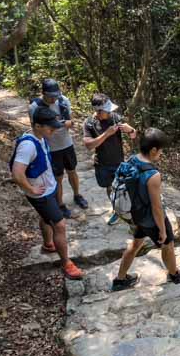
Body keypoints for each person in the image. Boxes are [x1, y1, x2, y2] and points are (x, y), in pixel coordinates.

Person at [111, 128, 180, 291]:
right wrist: (162, 230)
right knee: (167, 244)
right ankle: (175, 274)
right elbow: (156, 207)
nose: (161, 153)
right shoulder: (153, 174)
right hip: (149, 218)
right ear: (154, 149)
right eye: (161, 150)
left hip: (135, 214)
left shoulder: (133, 160)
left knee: (135, 244)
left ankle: (120, 280)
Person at [10, 105, 83, 280]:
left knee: (46, 218)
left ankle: (48, 245)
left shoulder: (40, 137)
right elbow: (16, 173)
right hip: (40, 194)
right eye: (50, 127)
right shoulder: (28, 145)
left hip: (47, 189)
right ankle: (66, 263)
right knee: (60, 225)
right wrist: (31, 189)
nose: (53, 129)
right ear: (37, 125)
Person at [29, 78, 87, 217]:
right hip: (51, 147)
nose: (54, 99)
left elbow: (70, 121)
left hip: (66, 143)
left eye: (56, 95)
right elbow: (35, 128)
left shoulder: (63, 101)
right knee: (58, 177)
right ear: (43, 93)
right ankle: (60, 204)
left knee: (72, 171)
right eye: (51, 96)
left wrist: (68, 123)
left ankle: (77, 195)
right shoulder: (35, 107)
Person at [83, 93, 136, 222]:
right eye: (108, 110)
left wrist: (131, 130)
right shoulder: (89, 123)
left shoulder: (115, 118)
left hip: (118, 161)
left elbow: (134, 137)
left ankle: (128, 210)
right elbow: (89, 145)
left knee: (123, 187)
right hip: (102, 163)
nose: (111, 112)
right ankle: (116, 209)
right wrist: (106, 134)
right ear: (99, 112)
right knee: (109, 187)